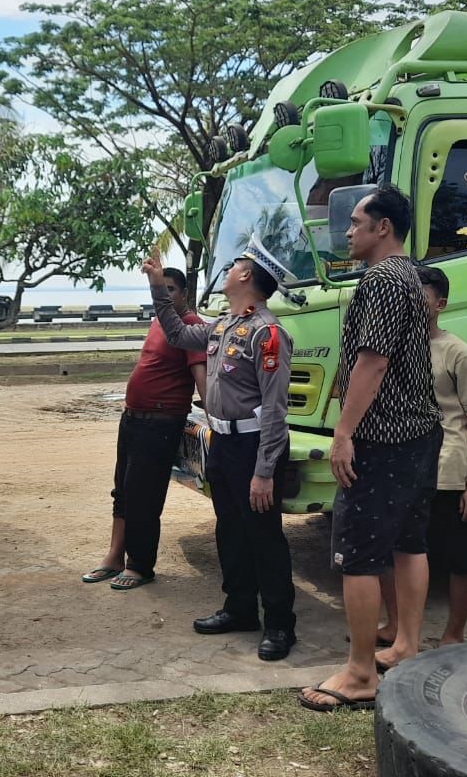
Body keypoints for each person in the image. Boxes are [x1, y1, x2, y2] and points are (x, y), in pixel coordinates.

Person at [300, 185, 442, 713]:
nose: (349, 230)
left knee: (358, 554)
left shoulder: (382, 279)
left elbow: (373, 362)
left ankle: (361, 673)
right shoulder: (411, 274)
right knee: (410, 542)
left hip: (383, 438)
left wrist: (343, 432)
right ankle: (405, 644)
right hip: (421, 431)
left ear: (384, 228)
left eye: (358, 222)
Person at [143, 237, 297, 660]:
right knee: (229, 528)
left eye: (234, 264)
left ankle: (281, 625)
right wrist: (158, 285)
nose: (227, 269)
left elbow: (274, 410)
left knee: (264, 535)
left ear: (246, 275)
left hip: (254, 446)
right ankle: (240, 608)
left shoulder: (268, 333)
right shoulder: (222, 326)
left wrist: (264, 471)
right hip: (224, 442)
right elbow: (175, 332)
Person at [375, 266, 467, 650]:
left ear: (440, 304)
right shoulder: (388, 349)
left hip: (448, 472)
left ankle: (453, 635)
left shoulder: (461, 354)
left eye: (420, 298)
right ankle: (396, 628)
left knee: (462, 557)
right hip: (403, 468)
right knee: (394, 550)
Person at [82, 268, 207, 591]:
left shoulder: (190, 326)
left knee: (145, 497)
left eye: (170, 290)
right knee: (122, 490)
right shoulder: (158, 323)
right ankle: (114, 557)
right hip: (133, 418)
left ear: (184, 294)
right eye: (159, 289)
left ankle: (140, 565)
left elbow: (200, 374)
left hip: (161, 423)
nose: (162, 296)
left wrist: (215, 415)